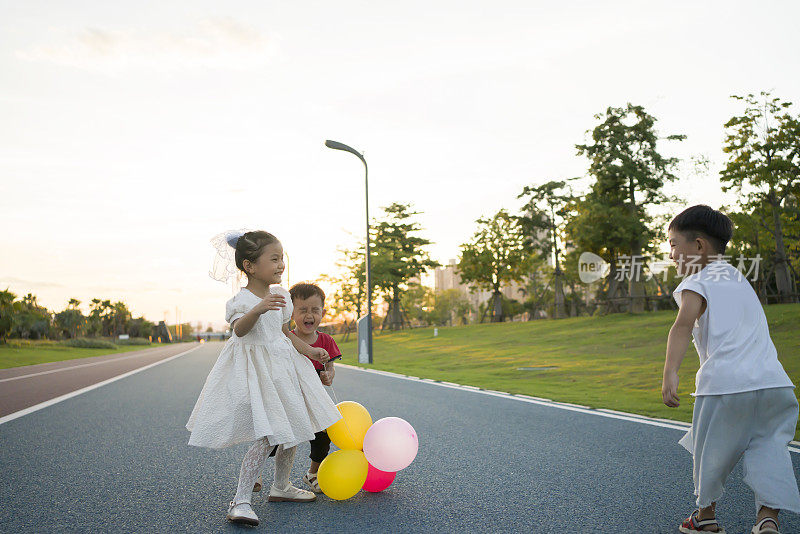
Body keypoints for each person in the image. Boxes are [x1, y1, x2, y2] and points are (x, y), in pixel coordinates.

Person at [186, 230, 341, 527]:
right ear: (250, 266)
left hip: (284, 367)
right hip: (256, 372)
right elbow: (239, 331)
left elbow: (284, 332)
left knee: (297, 426)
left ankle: (281, 486)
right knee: (268, 436)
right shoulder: (240, 300)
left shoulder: (283, 296)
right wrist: (257, 308)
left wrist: (310, 349)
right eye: (274, 259)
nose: (281, 264)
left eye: (282, 258)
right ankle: (241, 500)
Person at [660, 205, 799, 534]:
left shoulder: (697, 282)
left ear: (698, 246)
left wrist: (670, 372)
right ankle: (767, 518)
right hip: (774, 385)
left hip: (724, 384)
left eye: (673, 244)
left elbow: (681, 327)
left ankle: (705, 517)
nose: (670, 254)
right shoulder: (739, 278)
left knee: (711, 449)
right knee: (768, 449)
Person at [290, 282, 340, 492]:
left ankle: (312, 473)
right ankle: (256, 473)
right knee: (275, 439)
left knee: (322, 438)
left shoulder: (326, 340)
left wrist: (328, 375)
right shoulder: (287, 338)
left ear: (323, 312)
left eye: (314, 310)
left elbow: (330, 366)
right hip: (290, 397)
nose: (308, 315)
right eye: (302, 310)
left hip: (315, 399)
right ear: (291, 313)